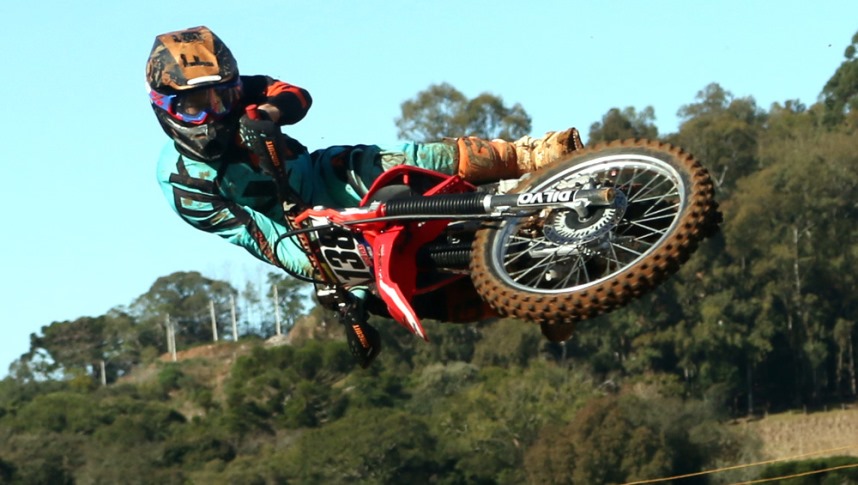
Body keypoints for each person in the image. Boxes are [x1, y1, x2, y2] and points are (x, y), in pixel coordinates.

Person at [148, 26, 583, 367]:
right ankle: (535, 299)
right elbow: (255, 237)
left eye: (223, 95)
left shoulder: (245, 91)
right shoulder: (183, 182)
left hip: (322, 175)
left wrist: (270, 115)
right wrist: (316, 265)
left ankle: (533, 153)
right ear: (165, 107)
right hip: (288, 229)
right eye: (196, 105)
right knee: (381, 291)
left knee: (399, 158)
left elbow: (296, 93)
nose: (217, 110)